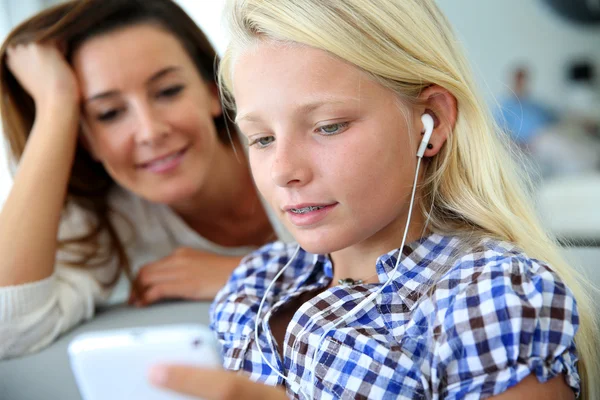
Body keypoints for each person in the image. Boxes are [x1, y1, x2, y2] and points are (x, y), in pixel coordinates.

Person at [147, 0, 600, 399]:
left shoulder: (487, 295)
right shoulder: (257, 283)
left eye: (329, 127)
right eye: (262, 138)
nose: (284, 171)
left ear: (432, 122)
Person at [0, 0, 291, 360]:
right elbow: (8, 328)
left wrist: (247, 276)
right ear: (84, 137)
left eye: (168, 91)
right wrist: (56, 101)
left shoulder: (290, 151)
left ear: (214, 90)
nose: (150, 132)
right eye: (108, 113)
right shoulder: (109, 218)